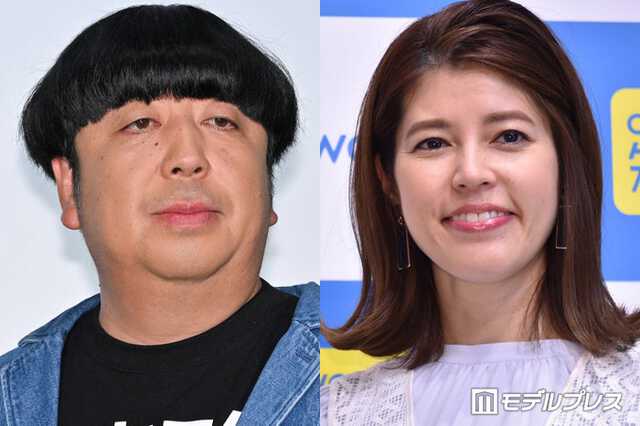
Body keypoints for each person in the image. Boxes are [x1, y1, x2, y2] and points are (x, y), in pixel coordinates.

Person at [321, 0, 640, 424]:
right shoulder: (335, 412)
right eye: (433, 143)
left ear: (567, 160)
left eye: (509, 136)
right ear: (387, 180)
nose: (471, 174)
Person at [0, 5, 319, 426]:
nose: (187, 158)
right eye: (140, 123)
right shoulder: (12, 399)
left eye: (221, 121)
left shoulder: (365, 370)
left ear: (267, 176)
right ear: (68, 186)